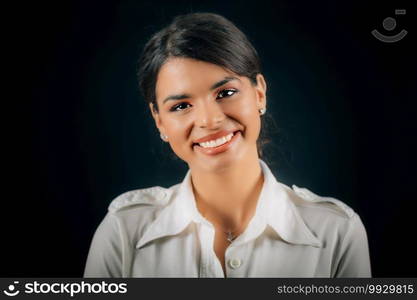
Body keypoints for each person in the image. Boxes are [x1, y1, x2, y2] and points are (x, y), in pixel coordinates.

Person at [84, 12, 371, 278]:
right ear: (159, 121)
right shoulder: (123, 232)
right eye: (182, 105)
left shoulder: (337, 232)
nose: (209, 120)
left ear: (259, 93)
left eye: (226, 92)